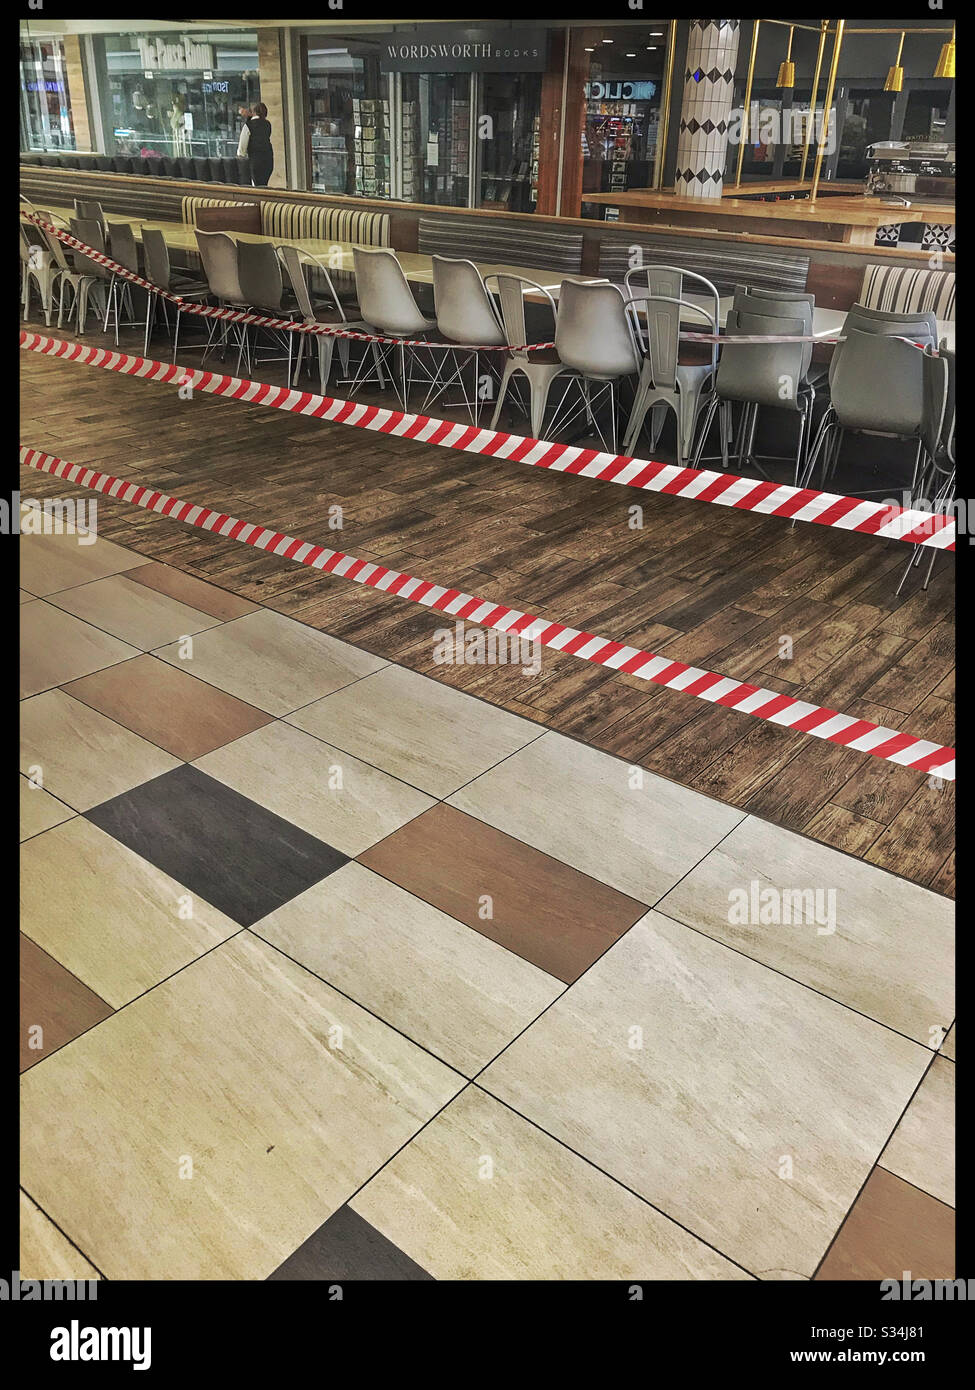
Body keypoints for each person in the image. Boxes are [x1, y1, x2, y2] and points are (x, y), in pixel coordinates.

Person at [237, 101, 273, 186]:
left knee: (257, 185)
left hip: (255, 161)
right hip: (268, 160)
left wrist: (240, 156)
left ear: (253, 112)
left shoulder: (248, 125)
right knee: (264, 184)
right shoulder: (268, 124)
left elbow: (242, 148)